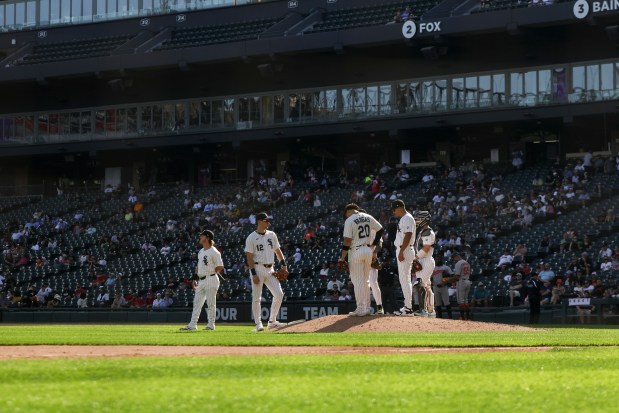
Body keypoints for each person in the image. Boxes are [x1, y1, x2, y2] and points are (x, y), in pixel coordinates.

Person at [245, 212, 288, 331]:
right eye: (266, 220)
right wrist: (253, 273)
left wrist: (284, 264)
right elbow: (249, 257)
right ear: (259, 221)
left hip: (270, 269)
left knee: (279, 294)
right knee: (257, 297)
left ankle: (272, 321)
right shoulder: (251, 237)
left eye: (268, 220)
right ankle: (258, 324)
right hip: (257, 268)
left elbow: (277, 251)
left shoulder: (272, 234)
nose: (268, 222)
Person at [339, 203, 384, 316]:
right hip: (368, 250)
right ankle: (367, 308)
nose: (346, 216)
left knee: (358, 281)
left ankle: (360, 308)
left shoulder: (349, 220)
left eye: (346, 214)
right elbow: (381, 229)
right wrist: (373, 245)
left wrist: (342, 257)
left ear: (348, 211)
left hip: (356, 251)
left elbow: (347, 241)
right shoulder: (367, 216)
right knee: (365, 281)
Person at [180, 229, 224, 331]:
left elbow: (220, 266)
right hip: (201, 280)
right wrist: (195, 278)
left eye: (202, 236)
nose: (200, 237)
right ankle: (192, 325)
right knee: (197, 303)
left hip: (211, 278)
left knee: (210, 304)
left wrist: (211, 271)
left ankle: (211, 325)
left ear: (207, 237)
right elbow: (198, 267)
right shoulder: (201, 251)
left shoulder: (214, 251)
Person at [390, 199, 416, 316]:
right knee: (405, 280)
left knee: (404, 280)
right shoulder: (405, 218)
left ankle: (408, 308)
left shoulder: (407, 218)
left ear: (399, 207)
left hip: (404, 249)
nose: (393, 212)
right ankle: (408, 307)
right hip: (404, 249)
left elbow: (408, 235)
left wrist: (401, 251)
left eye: (394, 210)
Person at [412, 211, 436, 317]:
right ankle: (430, 310)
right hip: (423, 260)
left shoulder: (427, 232)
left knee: (420, 284)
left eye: (419, 219)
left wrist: (415, 257)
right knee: (427, 286)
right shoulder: (423, 231)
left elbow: (426, 248)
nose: (417, 221)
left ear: (424, 220)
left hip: (426, 259)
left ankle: (424, 310)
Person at [452, 250, 472, 320]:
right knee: (466, 300)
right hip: (468, 281)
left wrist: (448, 280)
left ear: (456, 257)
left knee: (461, 301)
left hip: (461, 282)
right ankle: (468, 317)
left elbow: (457, 276)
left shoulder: (458, 263)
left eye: (454, 258)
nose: (454, 260)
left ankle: (462, 317)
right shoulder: (466, 262)